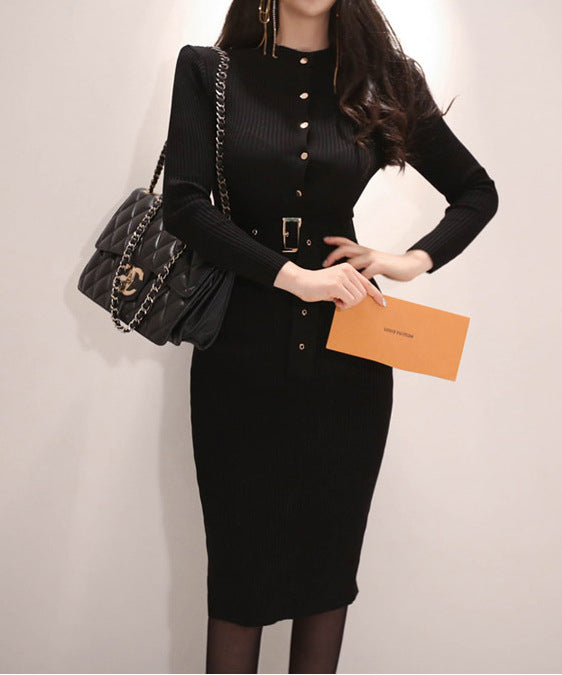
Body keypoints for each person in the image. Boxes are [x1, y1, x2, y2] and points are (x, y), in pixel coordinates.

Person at [162, 0, 499, 672]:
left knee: (327, 580)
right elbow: (186, 204)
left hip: (350, 369)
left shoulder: (386, 80)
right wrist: (295, 277)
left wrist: (407, 260)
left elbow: (475, 191)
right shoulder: (210, 72)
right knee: (238, 583)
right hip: (239, 361)